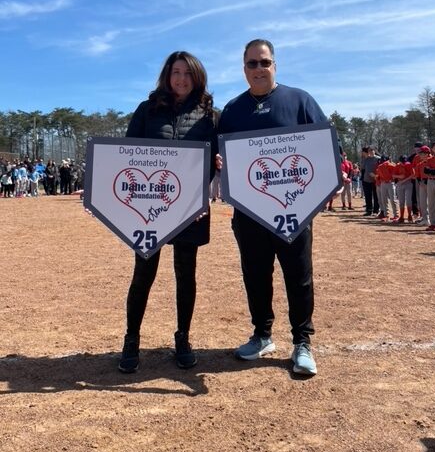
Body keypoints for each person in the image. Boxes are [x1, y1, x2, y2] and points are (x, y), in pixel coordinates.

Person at [218, 39, 327, 376]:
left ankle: (302, 342)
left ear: (274, 65)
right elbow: (219, 156)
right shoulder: (233, 110)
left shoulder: (300, 100)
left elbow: (325, 146)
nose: (258, 69)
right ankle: (262, 334)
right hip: (249, 213)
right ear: (244, 68)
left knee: (299, 276)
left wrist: (319, 192)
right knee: (256, 275)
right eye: (251, 64)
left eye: (264, 62)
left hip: (294, 210)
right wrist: (220, 162)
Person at [118, 51, 217, 373]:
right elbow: (125, 154)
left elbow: (218, 159)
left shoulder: (209, 116)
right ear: (167, 75)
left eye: (187, 73)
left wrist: (215, 171)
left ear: (197, 76)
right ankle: (131, 339)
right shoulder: (147, 110)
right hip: (148, 208)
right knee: (143, 274)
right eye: (176, 72)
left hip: (191, 207)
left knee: (186, 274)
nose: (181, 79)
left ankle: (183, 338)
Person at [393, 155, 414, 223]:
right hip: (400, 184)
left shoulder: (409, 165)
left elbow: (413, 174)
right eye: (402, 162)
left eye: (404, 161)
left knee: (408, 200)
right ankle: (401, 217)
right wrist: (399, 176)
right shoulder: (397, 166)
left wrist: (404, 180)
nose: (403, 163)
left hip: (408, 183)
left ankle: (409, 216)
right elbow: (393, 175)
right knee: (401, 201)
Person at [362, 146, 380, 216]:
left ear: (375, 151)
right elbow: (363, 168)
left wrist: (376, 176)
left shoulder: (378, 159)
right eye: (369, 150)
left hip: (375, 180)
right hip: (367, 180)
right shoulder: (366, 159)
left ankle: (376, 210)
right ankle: (369, 210)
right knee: (368, 196)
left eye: (372, 150)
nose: (371, 151)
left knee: (376, 196)